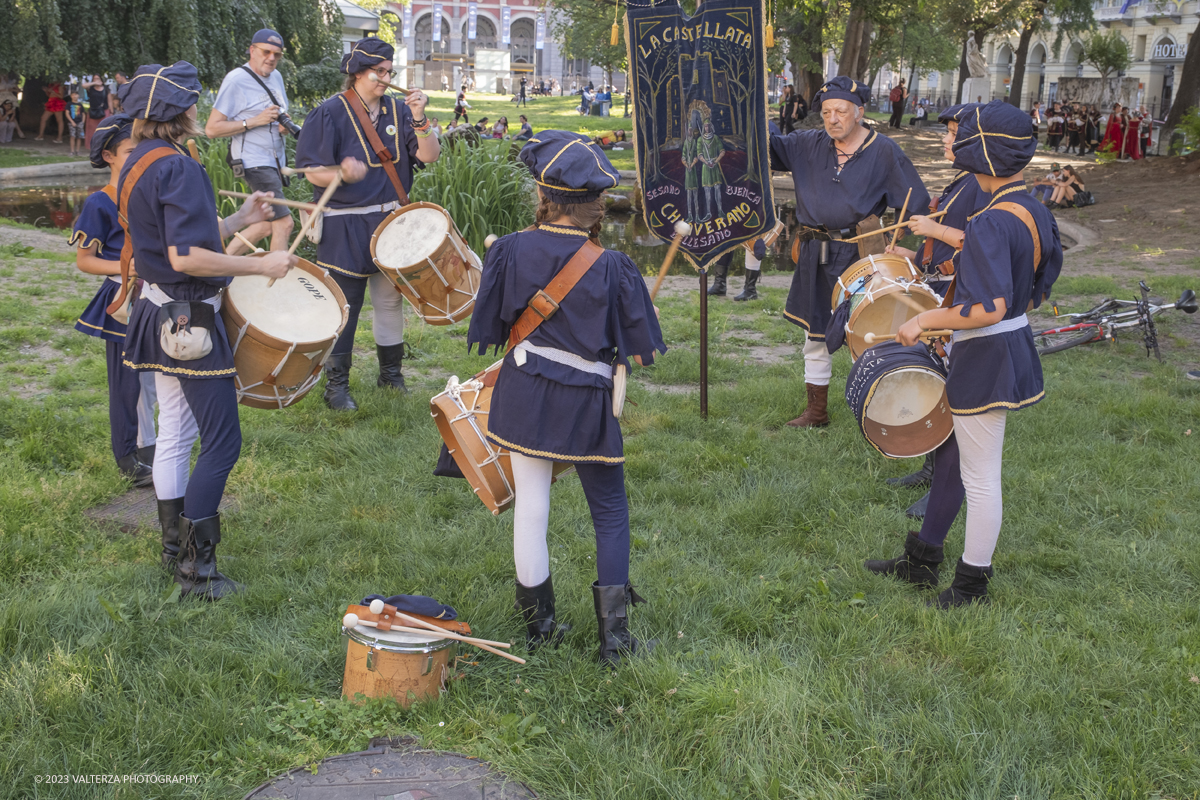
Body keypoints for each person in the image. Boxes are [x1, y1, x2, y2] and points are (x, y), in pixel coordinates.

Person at [465, 130, 666, 665]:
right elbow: (634, 344)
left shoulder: (507, 250)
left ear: (544, 196)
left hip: (525, 392)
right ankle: (615, 641)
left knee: (532, 505)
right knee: (610, 511)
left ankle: (539, 629)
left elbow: (492, 325)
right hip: (585, 404)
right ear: (595, 203)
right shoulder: (612, 266)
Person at [864, 99, 1062, 608]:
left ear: (986, 152)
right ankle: (922, 560)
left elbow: (989, 307)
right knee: (962, 460)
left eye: (964, 135)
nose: (955, 140)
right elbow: (1025, 273)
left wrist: (923, 320)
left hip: (986, 352)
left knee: (979, 476)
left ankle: (970, 586)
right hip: (1003, 344)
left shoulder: (995, 219)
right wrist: (937, 233)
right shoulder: (1028, 205)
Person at [118, 61, 294, 599]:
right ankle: (198, 573)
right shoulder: (180, 167)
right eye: (195, 100)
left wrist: (239, 221)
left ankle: (174, 551)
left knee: (173, 427)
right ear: (182, 113)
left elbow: (179, 240)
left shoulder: (137, 161)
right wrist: (262, 264)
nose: (200, 107)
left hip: (156, 308)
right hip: (189, 318)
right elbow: (189, 257)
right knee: (221, 442)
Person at [768, 76, 930, 428]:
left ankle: (889, 412)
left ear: (859, 112)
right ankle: (817, 412)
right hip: (814, 252)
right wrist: (748, 112)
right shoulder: (806, 144)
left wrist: (901, 237)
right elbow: (766, 148)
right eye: (826, 111)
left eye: (840, 110)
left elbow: (916, 203)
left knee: (873, 334)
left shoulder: (884, 151)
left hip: (861, 256)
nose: (832, 118)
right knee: (814, 336)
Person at [294, 37, 441, 411]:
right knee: (347, 305)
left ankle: (391, 375)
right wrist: (340, 173)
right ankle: (336, 386)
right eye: (379, 72)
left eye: (390, 72)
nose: (386, 78)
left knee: (389, 300)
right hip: (345, 224)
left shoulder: (400, 110)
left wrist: (421, 118)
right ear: (357, 73)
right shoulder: (330, 112)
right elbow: (312, 171)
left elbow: (429, 156)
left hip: (392, 219)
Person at [881, 103, 987, 515]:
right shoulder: (965, 179)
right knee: (937, 379)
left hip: (962, 295)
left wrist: (934, 227)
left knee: (952, 387)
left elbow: (982, 242)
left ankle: (947, 484)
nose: (945, 138)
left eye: (953, 131)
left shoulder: (983, 187)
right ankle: (932, 466)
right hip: (941, 284)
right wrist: (913, 251)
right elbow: (946, 244)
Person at [70, 113, 158, 488]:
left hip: (157, 295)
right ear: (108, 156)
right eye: (129, 151)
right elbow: (84, 261)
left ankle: (153, 447)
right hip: (122, 296)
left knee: (156, 378)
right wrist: (128, 266)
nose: (138, 157)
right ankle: (127, 455)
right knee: (127, 381)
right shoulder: (99, 203)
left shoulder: (151, 193)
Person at [206, 29, 296, 252]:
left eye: (277, 54)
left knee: (265, 225)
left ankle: (222, 267)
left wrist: (283, 127)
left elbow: (278, 114)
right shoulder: (236, 80)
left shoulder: (276, 76)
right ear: (252, 50)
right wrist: (253, 121)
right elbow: (211, 129)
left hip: (275, 161)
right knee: (284, 223)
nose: (272, 58)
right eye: (266, 52)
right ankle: (277, 282)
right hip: (253, 162)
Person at [84, 75, 110, 146]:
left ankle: (103, 145)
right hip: (93, 111)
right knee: (92, 130)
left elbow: (109, 100)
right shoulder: (90, 88)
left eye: (97, 78)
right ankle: (92, 146)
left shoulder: (105, 88)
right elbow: (83, 85)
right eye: (94, 79)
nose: (96, 80)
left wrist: (111, 111)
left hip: (103, 111)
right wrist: (94, 83)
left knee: (103, 129)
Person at [65, 90, 87, 156]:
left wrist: (82, 122)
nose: (74, 96)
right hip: (72, 123)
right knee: (72, 136)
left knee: (79, 137)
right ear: (71, 96)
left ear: (78, 95)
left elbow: (83, 114)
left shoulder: (80, 104)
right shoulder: (69, 104)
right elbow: (67, 113)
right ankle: (72, 151)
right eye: (73, 95)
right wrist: (72, 121)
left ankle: (77, 151)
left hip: (79, 122)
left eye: (76, 95)